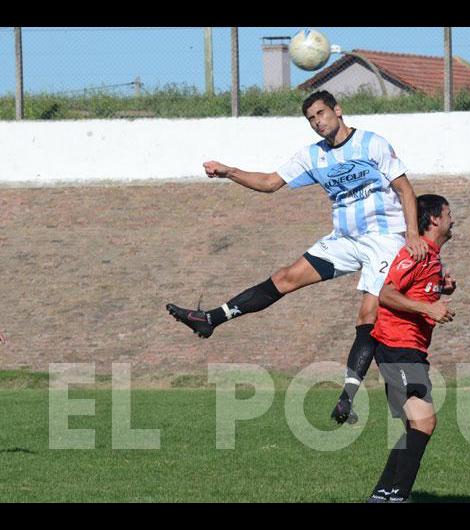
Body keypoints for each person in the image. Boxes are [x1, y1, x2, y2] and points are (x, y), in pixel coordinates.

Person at [166, 90, 428, 425]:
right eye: (311, 119)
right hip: (344, 239)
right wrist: (228, 171)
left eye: (321, 113)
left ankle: (346, 399)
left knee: (368, 313)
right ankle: (211, 319)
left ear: (338, 110)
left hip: (384, 240)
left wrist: (413, 235)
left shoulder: (373, 144)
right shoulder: (313, 156)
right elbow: (270, 182)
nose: (318, 122)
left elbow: (405, 189)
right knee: (285, 276)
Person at [367, 194, 456, 503]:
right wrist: (428, 309)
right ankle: (396, 497)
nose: (452, 219)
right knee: (424, 422)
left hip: (411, 349)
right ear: (433, 219)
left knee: (416, 424)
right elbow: (386, 294)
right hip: (396, 344)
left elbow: (419, 288)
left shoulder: (433, 258)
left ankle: (383, 496)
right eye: (447, 214)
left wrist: (441, 289)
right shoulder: (416, 252)